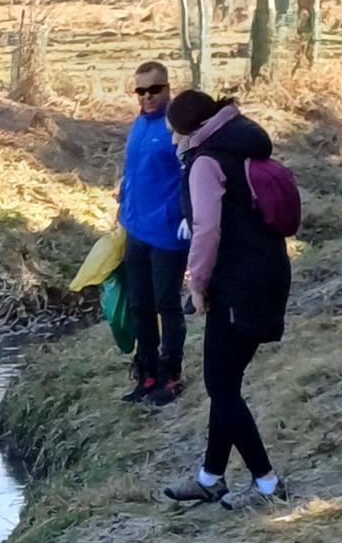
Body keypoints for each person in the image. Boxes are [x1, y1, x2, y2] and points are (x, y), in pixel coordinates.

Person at [159, 90, 291, 511]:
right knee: (226, 383)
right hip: (268, 273)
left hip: (237, 284)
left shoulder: (207, 161)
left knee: (220, 386)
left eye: (175, 133)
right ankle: (210, 478)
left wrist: (196, 284)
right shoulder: (241, 141)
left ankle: (268, 485)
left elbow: (207, 229)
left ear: (189, 129)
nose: (174, 141)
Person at [116, 62, 189, 406]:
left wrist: (179, 215)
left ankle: (170, 376)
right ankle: (146, 373)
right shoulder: (138, 125)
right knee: (140, 303)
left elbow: (190, 177)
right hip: (136, 228)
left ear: (168, 88)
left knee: (166, 302)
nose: (147, 97)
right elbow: (134, 173)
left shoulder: (177, 127)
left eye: (154, 89)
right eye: (140, 91)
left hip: (168, 232)